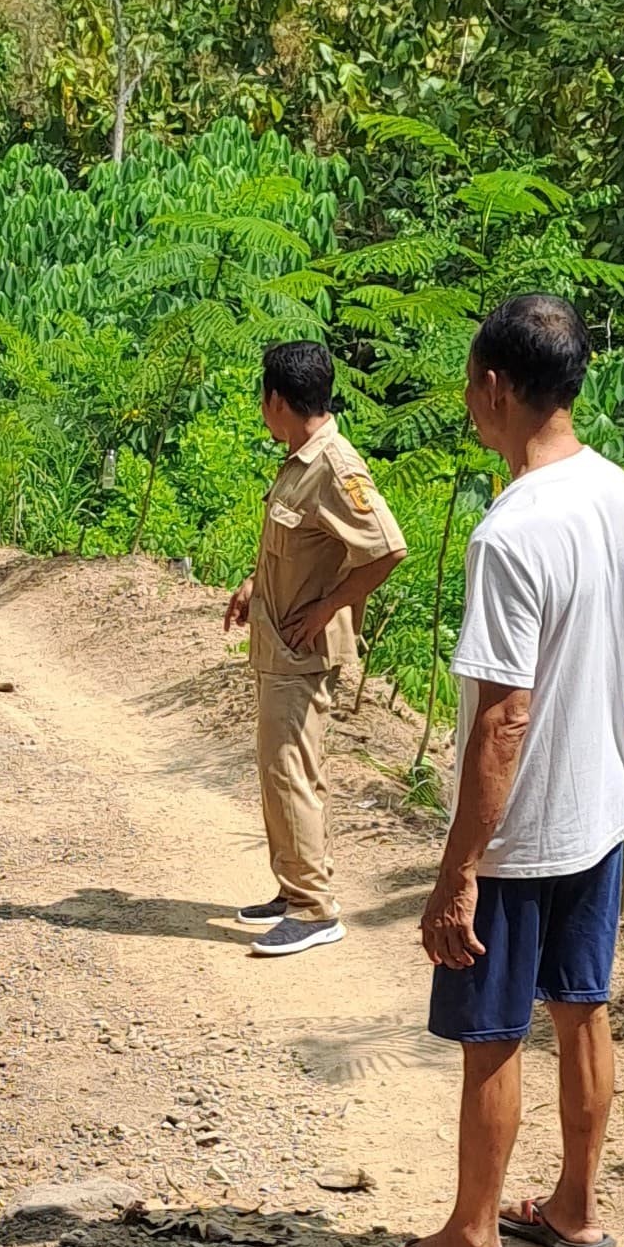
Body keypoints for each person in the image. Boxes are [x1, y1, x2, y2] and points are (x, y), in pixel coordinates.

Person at [356, 289, 624, 1247]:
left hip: (523, 831)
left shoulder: (511, 533)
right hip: (601, 808)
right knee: (583, 1006)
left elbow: (502, 720)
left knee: (493, 1033)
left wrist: (458, 874)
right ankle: (574, 1205)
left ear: (492, 387)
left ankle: (471, 1237)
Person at [223, 338, 407, 959]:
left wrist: (330, 607)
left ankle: (312, 907)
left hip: (303, 651)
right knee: (285, 772)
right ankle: (293, 885)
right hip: (279, 642)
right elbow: (300, 548)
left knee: (291, 772)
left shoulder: (334, 465)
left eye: (262, 399)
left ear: (277, 400)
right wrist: (256, 585)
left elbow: (387, 548)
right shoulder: (301, 458)